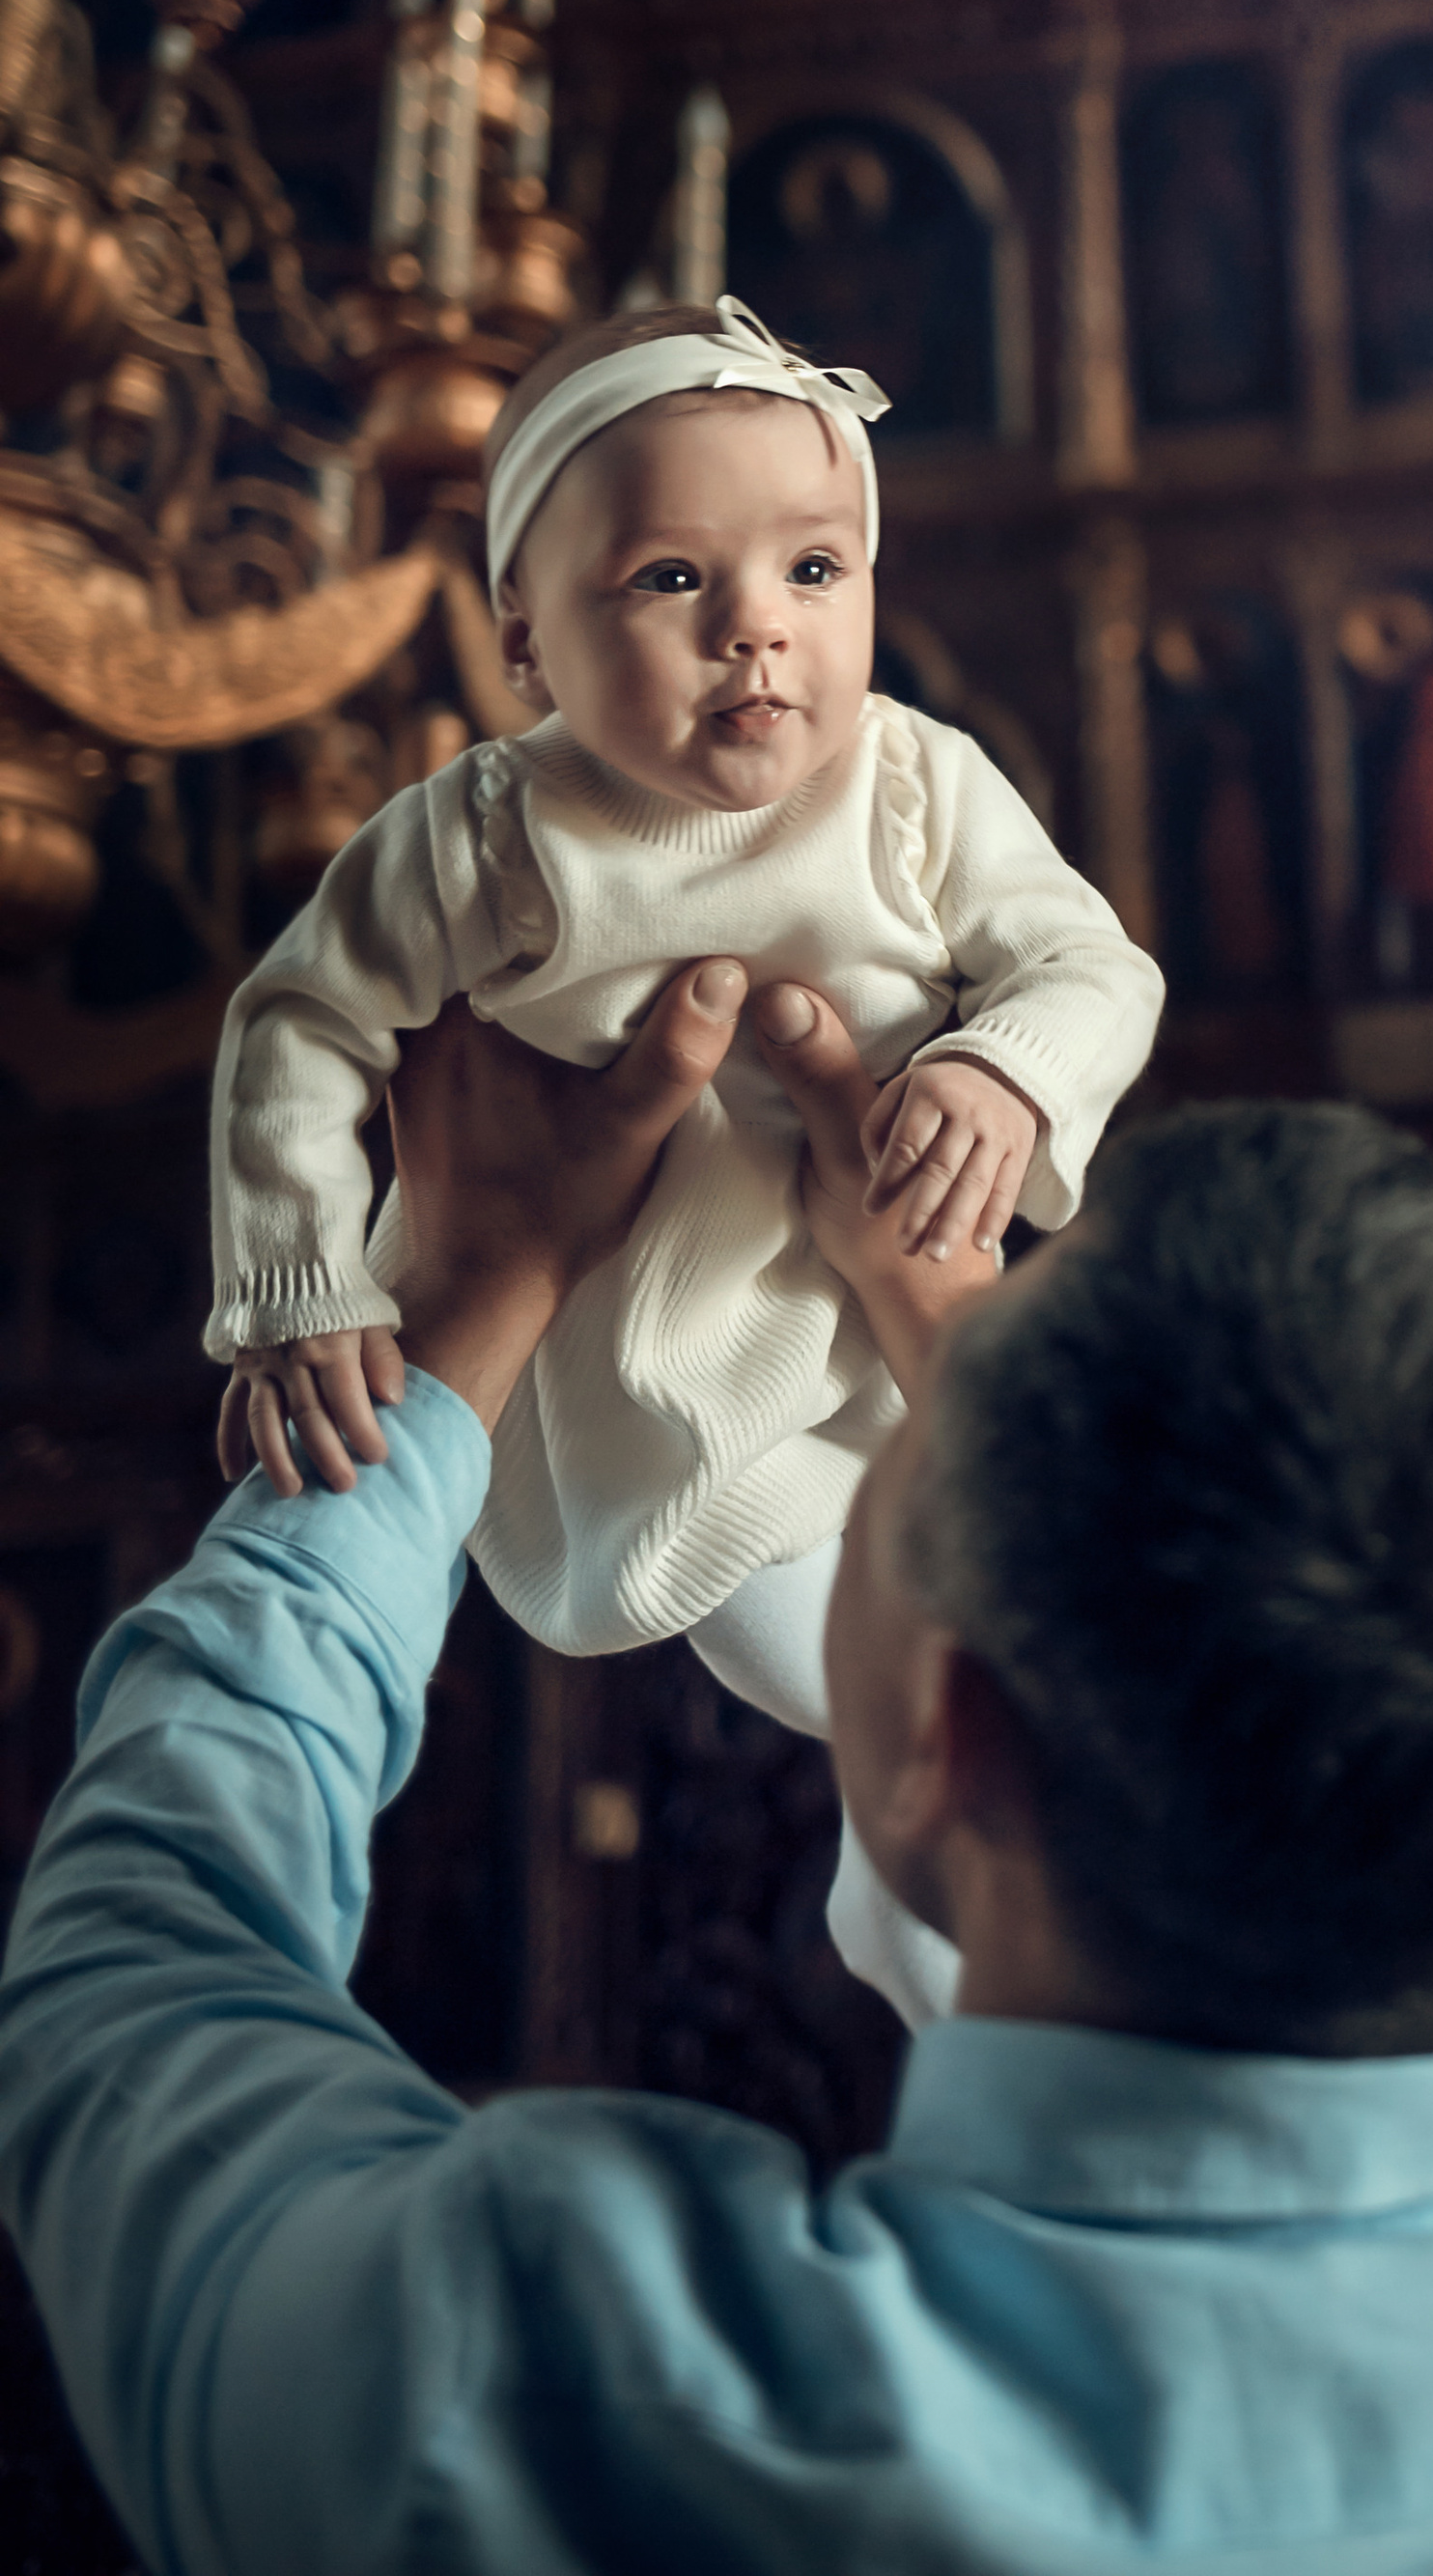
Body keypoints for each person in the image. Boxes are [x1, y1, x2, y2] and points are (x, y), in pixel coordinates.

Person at [0, 968, 1433, 2574]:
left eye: (903, 1468)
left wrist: (464, 1303)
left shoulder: (547, 2403)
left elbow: (138, 1971)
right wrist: (926, 1283)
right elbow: (1408, 1755)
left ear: (942, 1737)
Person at [203, 294, 1162, 2019]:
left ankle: (931, 1906)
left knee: (1031, 1657)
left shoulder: (915, 790)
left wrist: (1009, 1071)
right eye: (670, 582)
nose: (758, 636)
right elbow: (300, 1027)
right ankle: (949, 1923)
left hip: (894, 1332)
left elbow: (1093, 968)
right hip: (675, 1405)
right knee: (928, 1697)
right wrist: (299, 1277)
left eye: (814, 571)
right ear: (523, 637)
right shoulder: (490, 831)